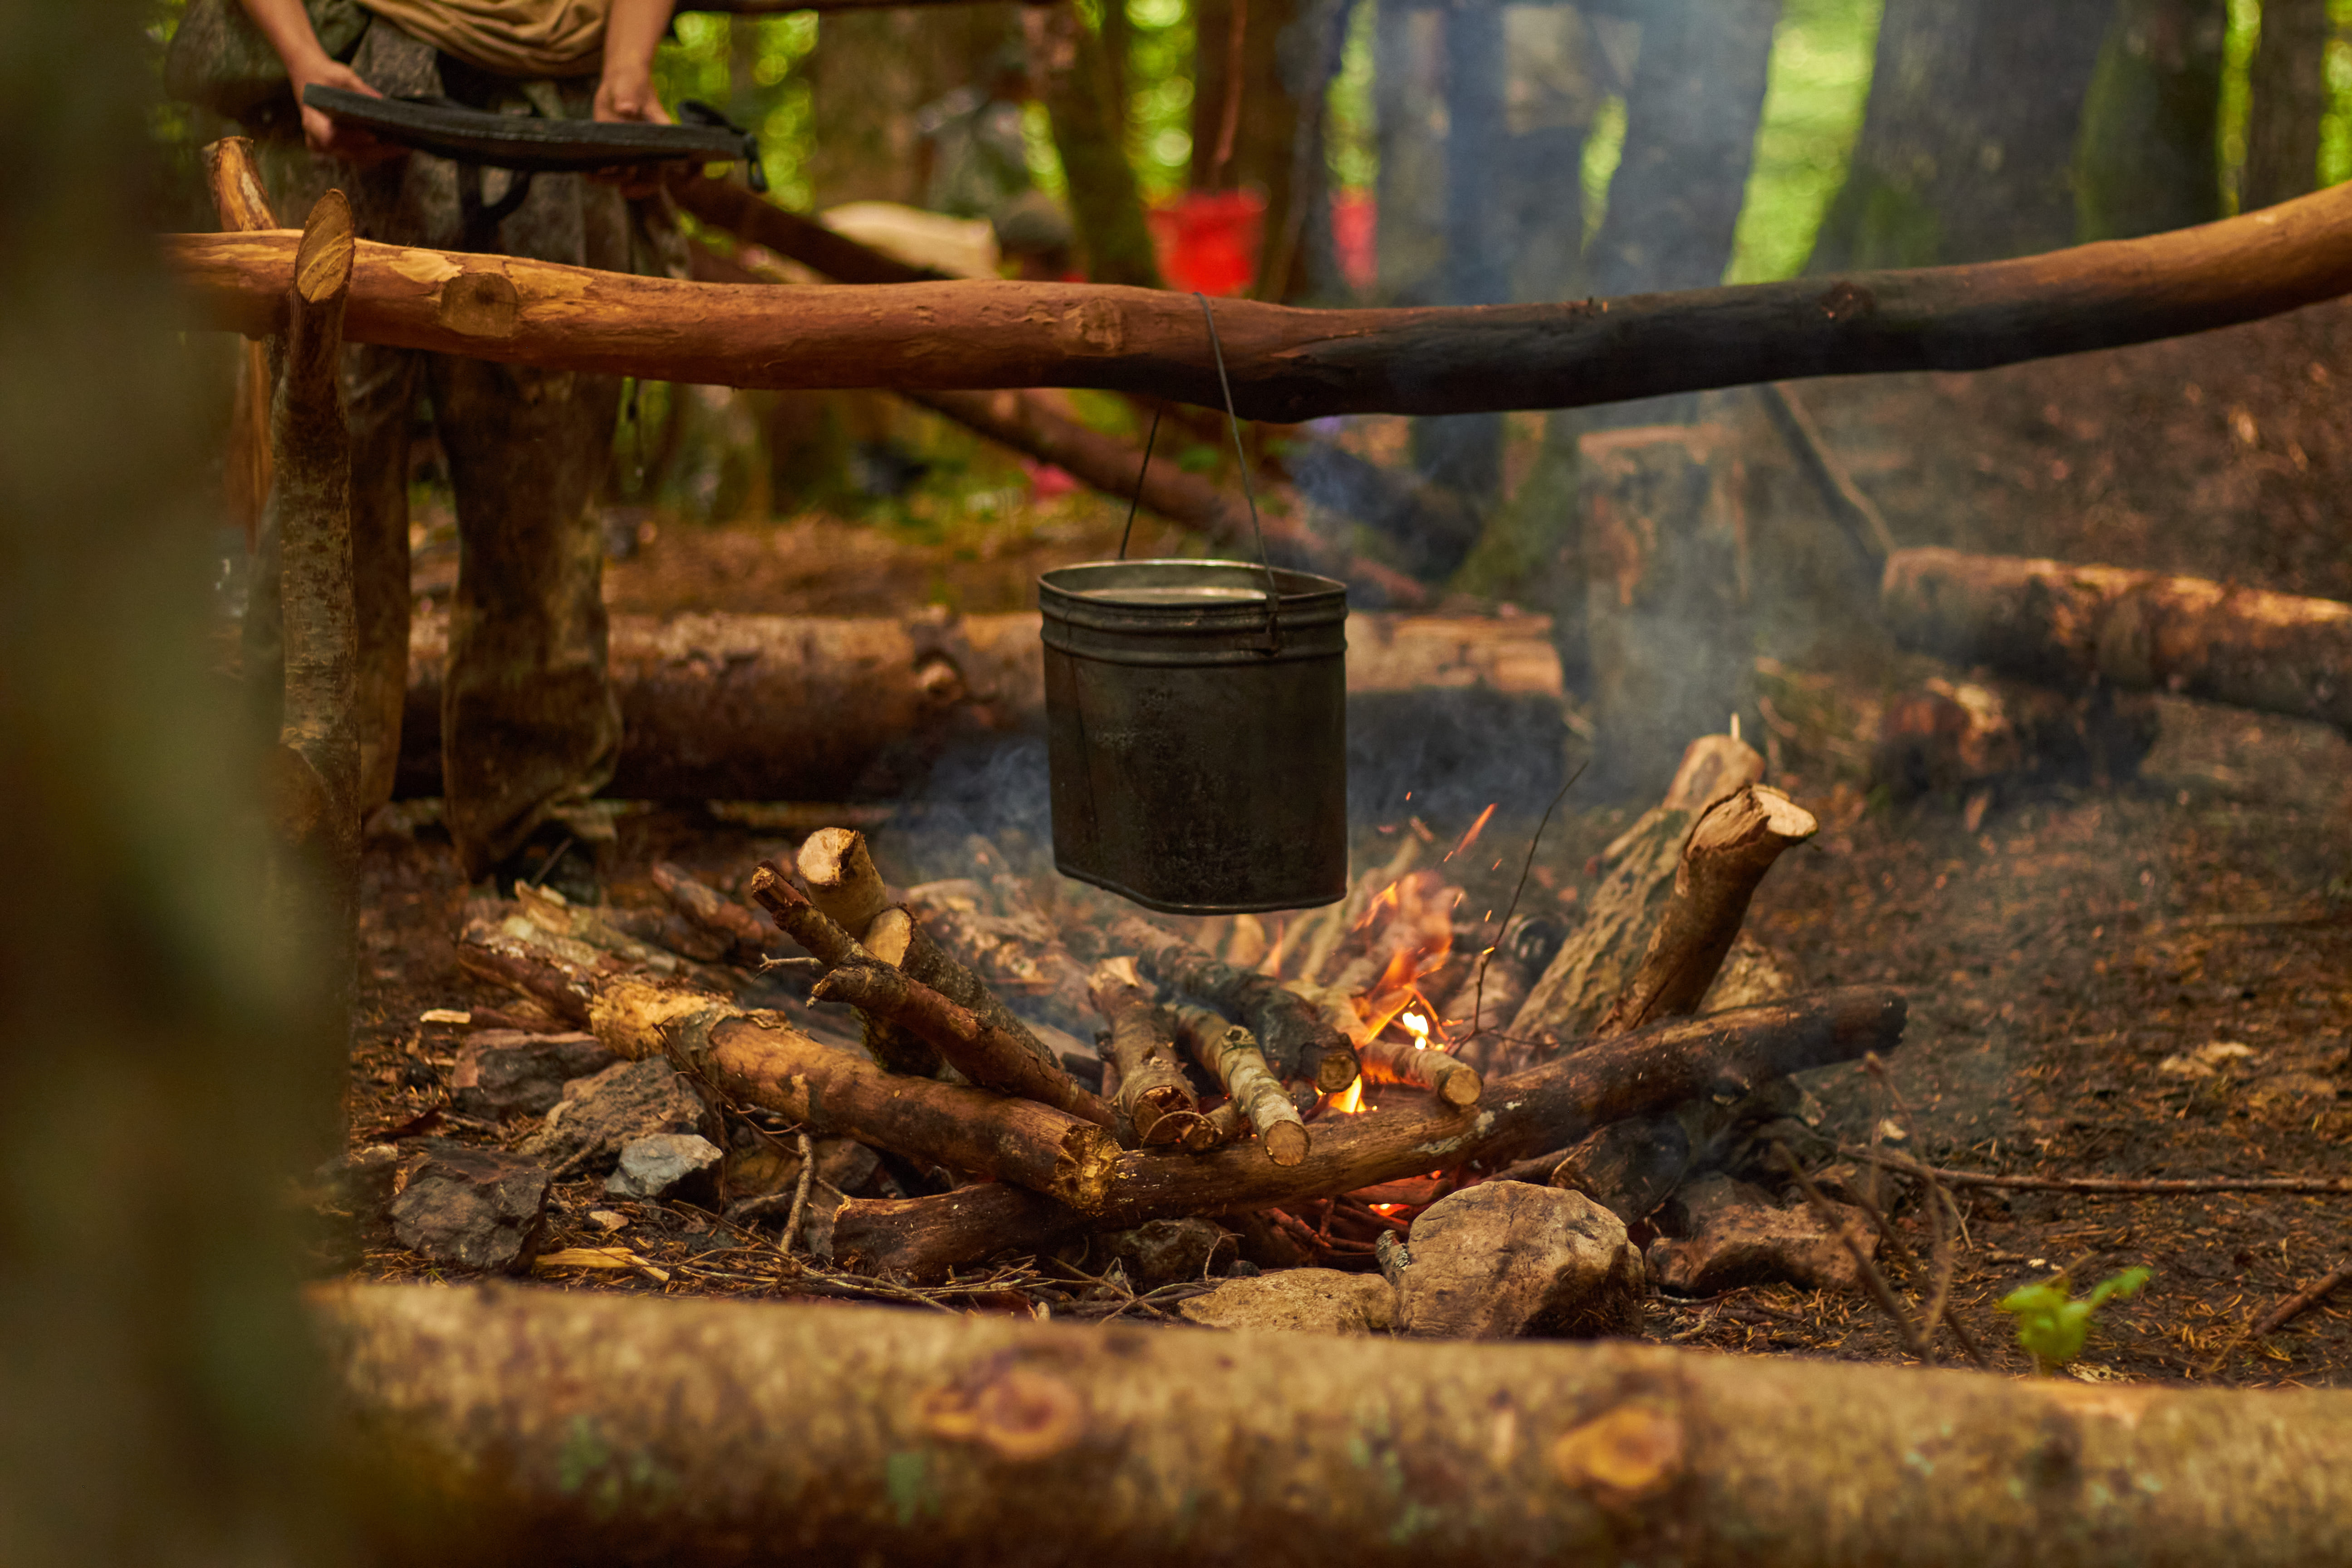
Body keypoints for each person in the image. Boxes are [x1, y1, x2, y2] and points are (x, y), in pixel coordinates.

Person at [229, 0, 687, 897]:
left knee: (546, 491)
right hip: (364, 90)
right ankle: (288, 810)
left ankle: (541, 835)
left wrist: (625, 76)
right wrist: (305, 59)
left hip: (557, 108)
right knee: (328, 469)